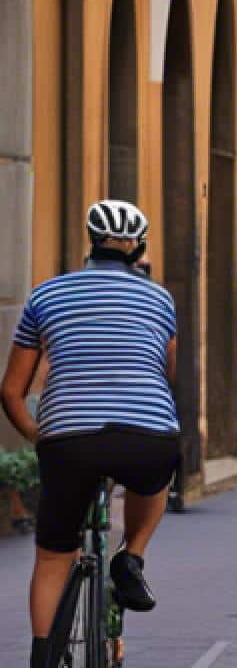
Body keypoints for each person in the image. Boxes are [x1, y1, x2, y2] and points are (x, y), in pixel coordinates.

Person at [1, 201, 181, 668]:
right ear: (138, 248)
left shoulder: (46, 296)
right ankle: (131, 557)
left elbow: (11, 390)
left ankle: (43, 658)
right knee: (155, 478)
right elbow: (167, 374)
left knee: (53, 557)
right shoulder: (159, 299)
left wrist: (40, 434)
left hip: (69, 441)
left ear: (90, 239)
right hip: (148, 438)